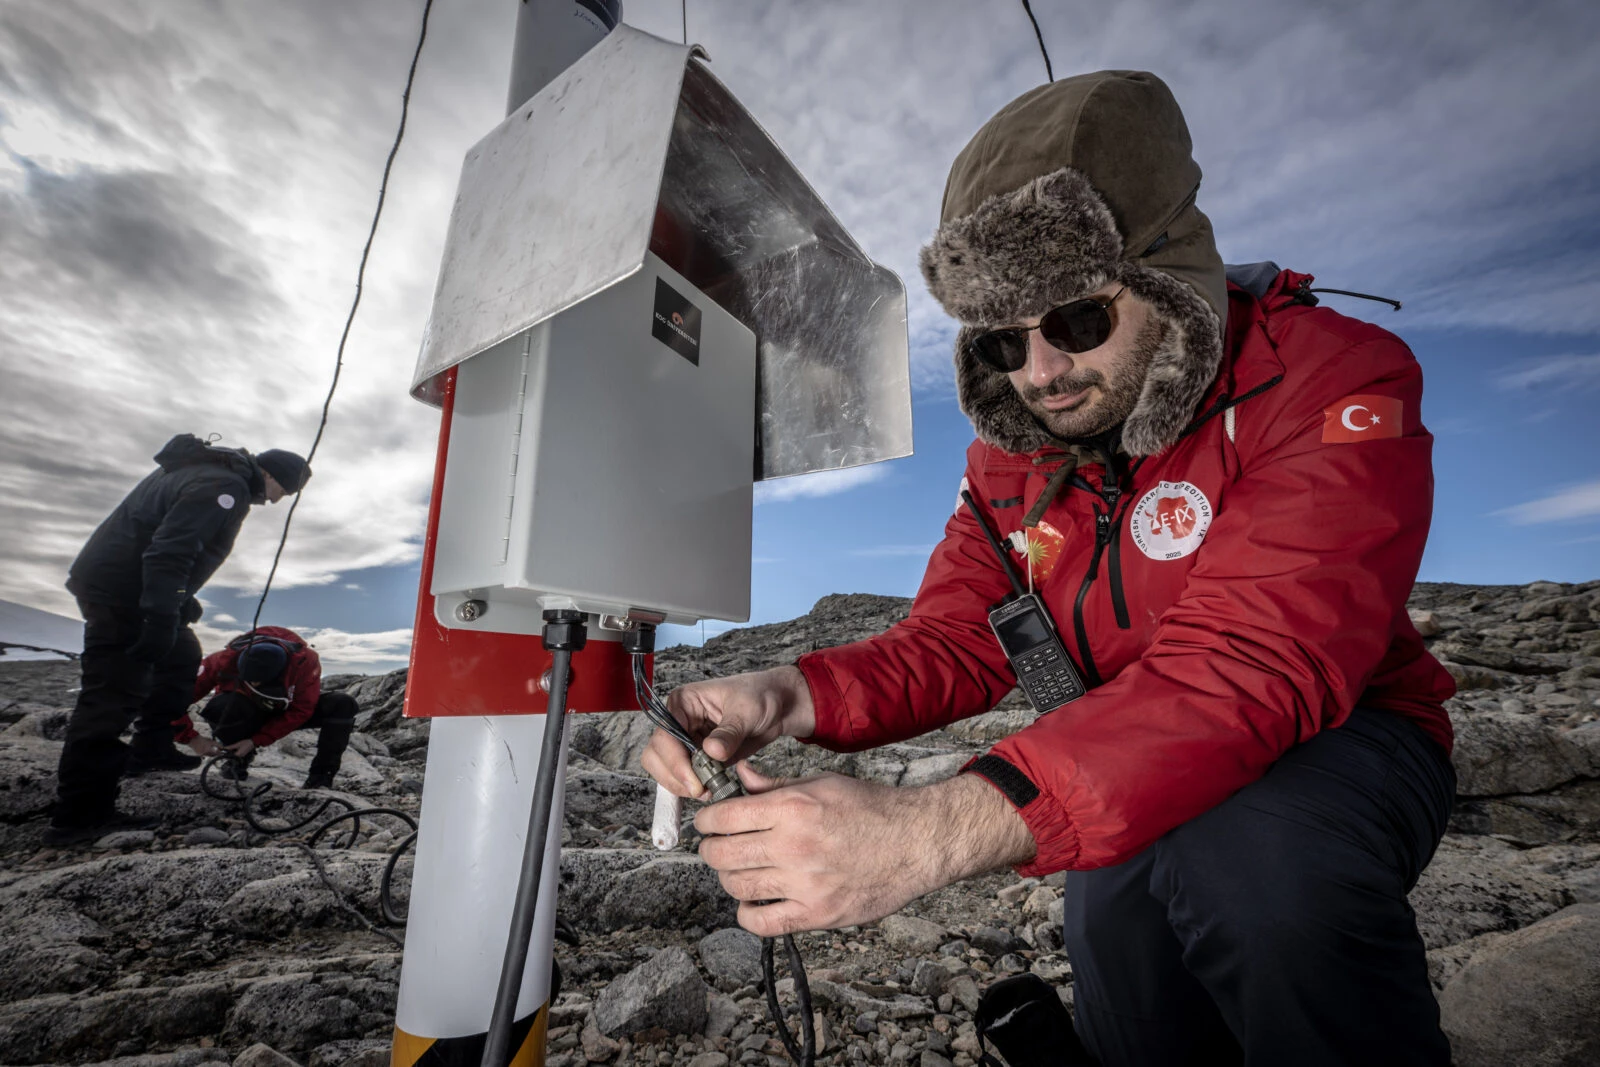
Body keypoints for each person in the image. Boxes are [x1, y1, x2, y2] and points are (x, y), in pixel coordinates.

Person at [643, 71, 1457, 1066]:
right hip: (1120, 741)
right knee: (1115, 928)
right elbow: (954, 637)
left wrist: (930, 831)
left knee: (1249, 866)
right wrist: (784, 691)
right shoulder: (1013, 452)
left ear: (1168, 280)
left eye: (1075, 319)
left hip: (1349, 736)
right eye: (999, 340)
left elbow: (1256, 661)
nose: (1040, 373)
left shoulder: (1329, 377)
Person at [46, 434, 310, 846]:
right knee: (112, 694)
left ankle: (152, 747)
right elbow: (170, 550)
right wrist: (160, 611)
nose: (276, 501)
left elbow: (161, 539)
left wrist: (179, 601)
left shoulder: (211, 473)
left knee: (181, 654)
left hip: (129, 588)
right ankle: (78, 816)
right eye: (284, 491)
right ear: (272, 475)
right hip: (121, 596)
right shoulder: (225, 486)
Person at [179, 628, 357, 792]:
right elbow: (170, 700)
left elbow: (302, 709)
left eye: (258, 682)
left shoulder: (305, 663)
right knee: (222, 706)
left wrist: (256, 740)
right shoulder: (222, 660)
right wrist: (193, 739)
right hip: (243, 711)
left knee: (342, 704)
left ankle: (320, 780)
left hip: (283, 709)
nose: (254, 684)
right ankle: (236, 759)